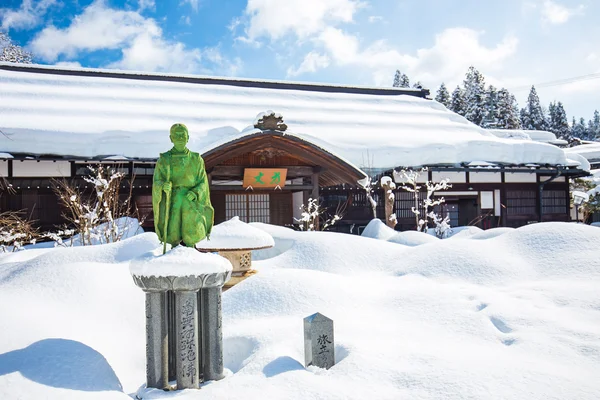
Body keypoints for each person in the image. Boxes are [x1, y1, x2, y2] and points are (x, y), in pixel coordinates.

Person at [152, 123, 214, 247]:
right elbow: (156, 181)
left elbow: (203, 182)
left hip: (190, 200)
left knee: (191, 232)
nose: (180, 138)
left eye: (183, 135)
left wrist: (196, 193)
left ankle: (191, 252)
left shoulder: (196, 159)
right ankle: (174, 253)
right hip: (172, 200)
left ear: (188, 137)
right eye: (177, 135)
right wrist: (163, 186)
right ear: (171, 138)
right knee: (172, 231)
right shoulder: (164, 160)